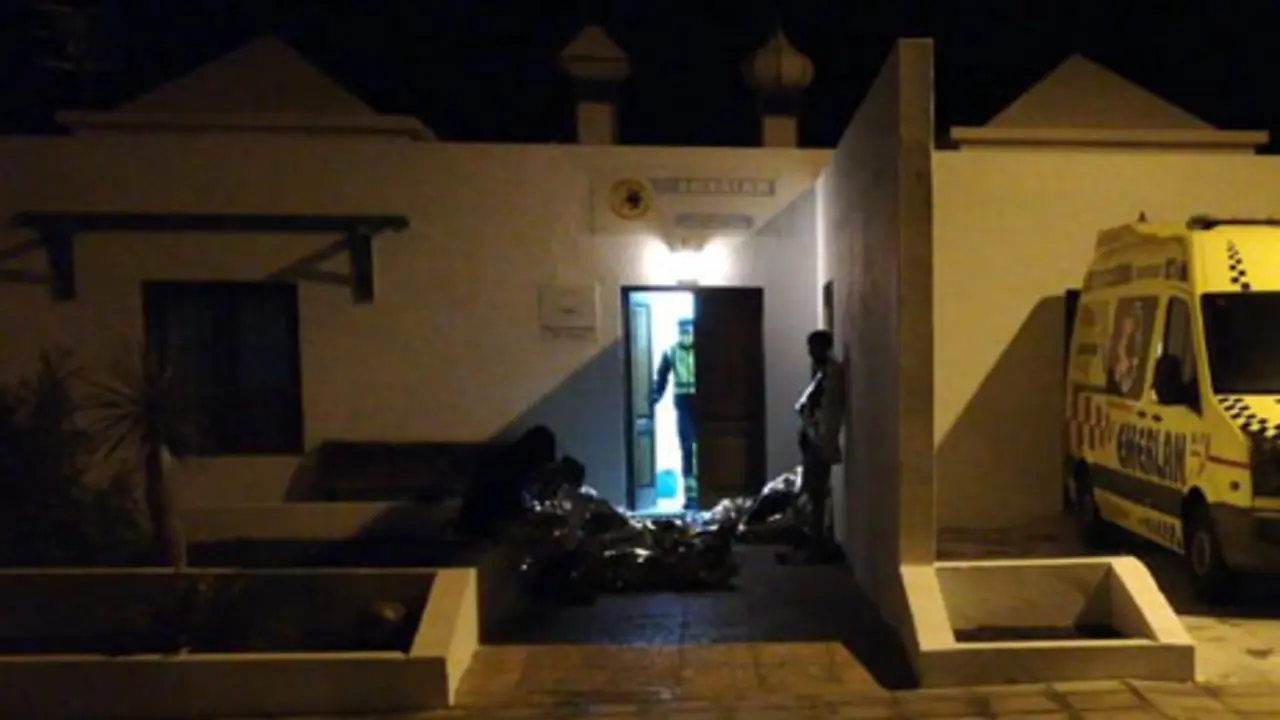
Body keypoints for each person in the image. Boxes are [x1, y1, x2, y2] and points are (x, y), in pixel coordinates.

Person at [790, 329, 846, 563]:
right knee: (812, 492)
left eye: (813, 348)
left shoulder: (832, 374)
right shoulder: (821, 373)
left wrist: (823, 440)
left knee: (817, 493)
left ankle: (818, 543)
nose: (810, 353)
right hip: (813, 438)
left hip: (820, 441)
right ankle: (814, 540)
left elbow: (830, 412)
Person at [652, 317, 699, 511]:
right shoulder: (671, 352)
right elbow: (661, 378)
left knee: (703, 450)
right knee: (687, 449)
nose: (685, 335)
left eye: (688, 330)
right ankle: (691, 498)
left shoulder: (703, 350)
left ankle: (705, 493)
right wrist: (654, 397)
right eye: (682, 331)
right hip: (684, 407)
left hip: (702, 405)